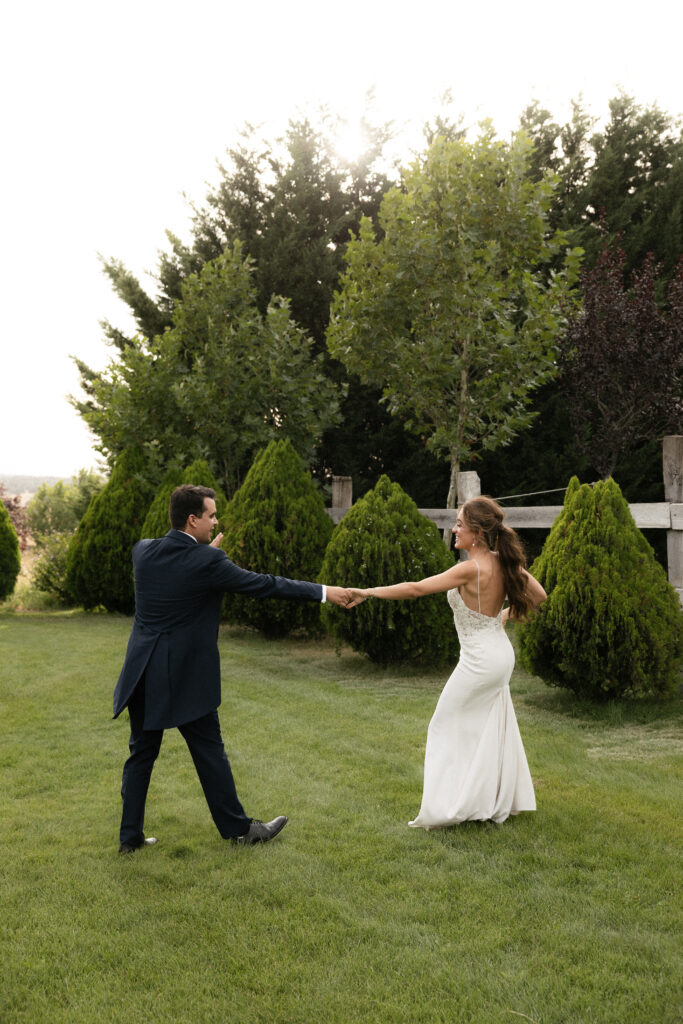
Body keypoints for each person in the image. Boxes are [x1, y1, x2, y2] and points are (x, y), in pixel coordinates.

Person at [113, 484, 352, 852]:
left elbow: (180, 570)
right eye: (211, 515)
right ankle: (241, 831)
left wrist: (204, 555)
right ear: (192, 520)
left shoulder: (143, 551)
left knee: (141, 755)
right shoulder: (207, 562)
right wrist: (324, 591)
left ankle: (129, 840)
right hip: (183, 677)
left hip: (142, 673)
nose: (216, 520)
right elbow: (264, 585)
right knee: (209, 751)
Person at [347, 496, 546, 829]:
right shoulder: (505, 562)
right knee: (484, 727)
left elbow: (415, 588)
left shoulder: (470, 568)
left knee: (443, 725)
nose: (454, 530)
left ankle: (448, 808)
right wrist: (502, 617)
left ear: (477, 533)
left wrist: (367, 592)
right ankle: (484, 800)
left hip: (481, 661)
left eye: (459, 524)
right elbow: (539, 596)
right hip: (498, 655)